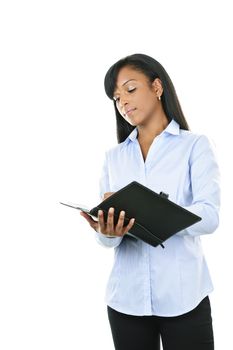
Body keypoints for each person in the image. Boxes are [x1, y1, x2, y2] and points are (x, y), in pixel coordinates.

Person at [80, 53, 220, 350]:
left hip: (184, 298)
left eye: (130, 90)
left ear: (157, 87)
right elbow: (109, 244)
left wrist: (154, 212)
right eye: (117, 98)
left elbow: (209, 216)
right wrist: (108, 232)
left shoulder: (195, 146)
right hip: (126, 302)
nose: (123, 103)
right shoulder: (114, 157)